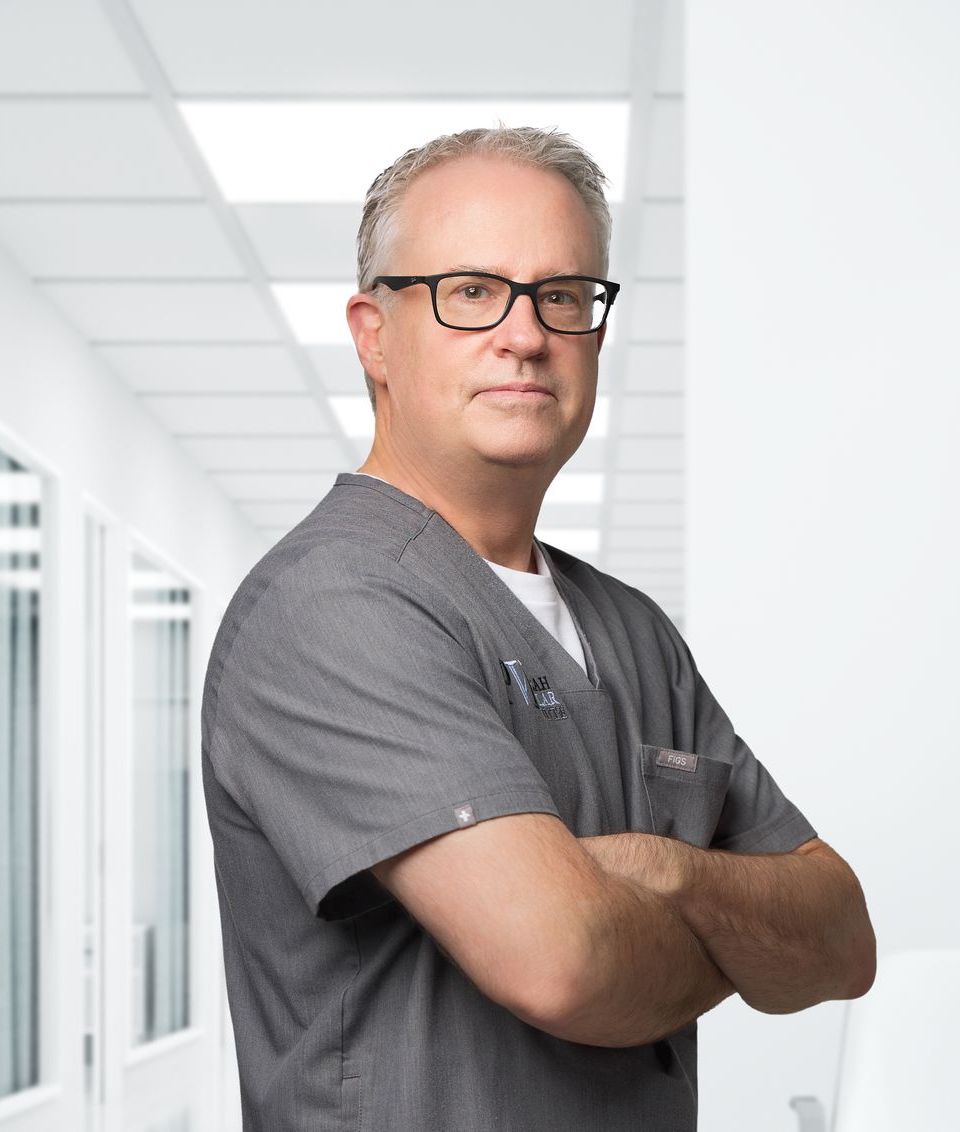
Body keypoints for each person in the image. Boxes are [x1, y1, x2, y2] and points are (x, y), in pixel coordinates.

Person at [201, 126, 876, 1131]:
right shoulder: (330, 607)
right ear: (372, 331)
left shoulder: (633, 630)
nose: (524, 334)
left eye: (562, 295)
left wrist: (662, 871)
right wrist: (741, 939)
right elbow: (566, 965)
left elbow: (844, 939)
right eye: (471, 290)